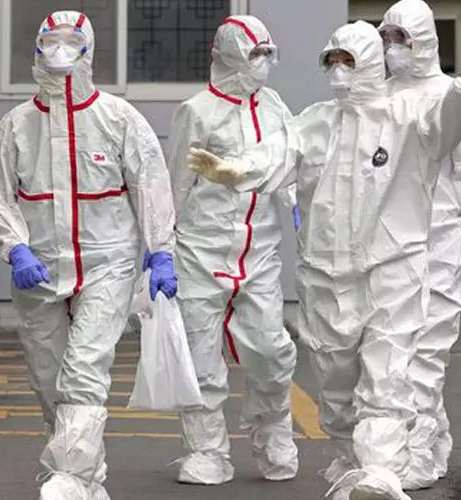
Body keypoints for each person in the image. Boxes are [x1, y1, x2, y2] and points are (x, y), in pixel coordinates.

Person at [186, 20, 461, 500]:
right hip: (326, 276)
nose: (340, 71)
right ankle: (352, 462)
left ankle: (381, 472)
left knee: (387, 378)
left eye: (350, 61)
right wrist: (235, 169)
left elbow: (446, 123)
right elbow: (277, 152)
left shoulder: (405, 117)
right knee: (337, 387)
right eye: (333, 61)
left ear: (370, 65)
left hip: (392, 268)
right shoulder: (316, 122)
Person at [0, 10, 176, 499]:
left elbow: (150, 184)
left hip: (108, 263)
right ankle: (85, 479)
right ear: (37, 48)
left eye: (71, 41)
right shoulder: (16, 126)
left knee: (85, 370)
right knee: (49, 378)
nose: (60, 50)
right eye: (51, 40)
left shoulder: (118, 118)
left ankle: (67, 474)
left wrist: (161, 250)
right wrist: (15, 246)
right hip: (40, 268)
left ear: (89, 50)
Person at [378, 0, 461, 489]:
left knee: (427, 349)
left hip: (442, 238)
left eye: (401, 38)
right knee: (393, 353)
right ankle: (428, 440)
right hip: (389, 242)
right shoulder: (379, 97)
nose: (392, 48)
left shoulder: (454, 94)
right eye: (386, 37)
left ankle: (415, 453)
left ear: (424, 41)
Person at [167, 15, 299, 485]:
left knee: (271, 349)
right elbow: (175, 185)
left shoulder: (274, 106)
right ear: (225, 55)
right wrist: (161, 246)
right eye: (252, 54)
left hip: (258, 251)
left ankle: (273, 433)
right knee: (201, 358)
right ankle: (205, 450)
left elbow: (287, 160)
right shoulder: (196, 111)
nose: (261, 63)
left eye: (266, 53)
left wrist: (296, 202)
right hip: (200, 252)